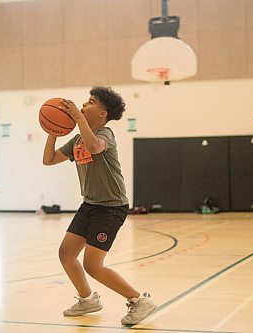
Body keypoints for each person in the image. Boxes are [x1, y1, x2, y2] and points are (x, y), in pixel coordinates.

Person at [42, 86, 156, 325]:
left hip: (111, 207)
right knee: (66, 254)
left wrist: (78, 117)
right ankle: (88, 299)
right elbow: (49, 160)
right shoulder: (75, 140)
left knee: (93, 265)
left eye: (90, 102)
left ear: (103, 113)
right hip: (90, 204)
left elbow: (94, 147)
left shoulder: (106, 134)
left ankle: (139, 300)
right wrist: (53, 128)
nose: (84, 105)